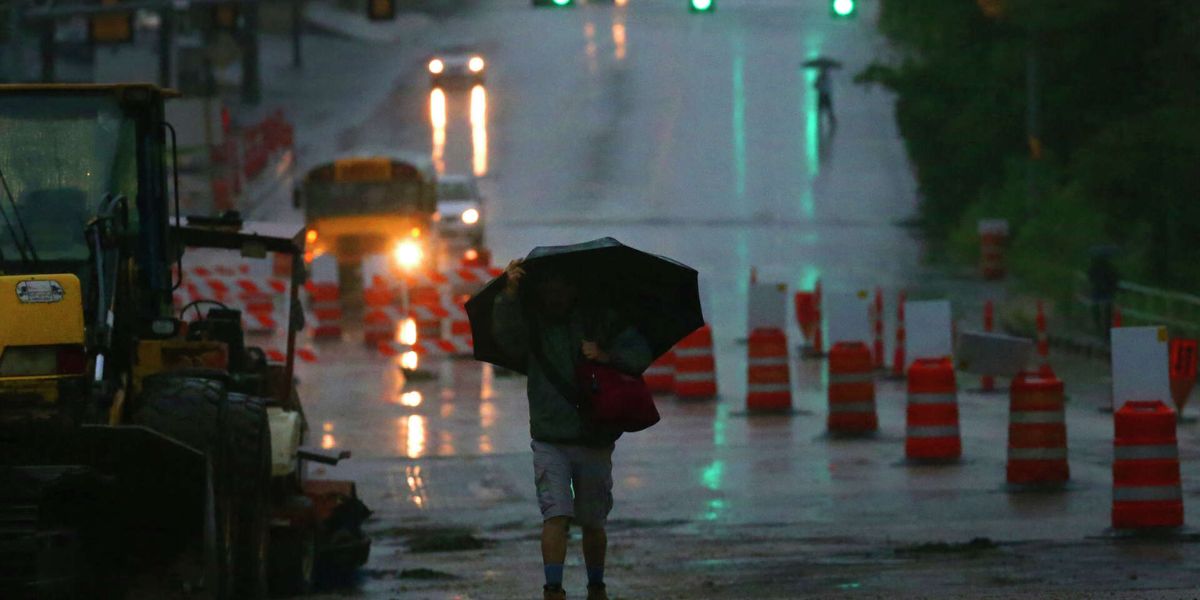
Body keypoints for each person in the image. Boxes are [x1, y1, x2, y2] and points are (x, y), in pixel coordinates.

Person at [492, 259, 653, 600]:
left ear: (574, 288)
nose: (555, 294)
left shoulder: (599, 321)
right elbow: (507, 339)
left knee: (593, 522)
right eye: (548, 287)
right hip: (550, 438)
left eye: (562, 286)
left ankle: (597, 587)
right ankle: (553, 590)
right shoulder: (531, 325)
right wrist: (507, 294)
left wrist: (605, 355)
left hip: (595, 436)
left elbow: (639, 352)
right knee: (556, 516)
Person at [1088, 253, 1120, 335]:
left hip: (1098, 292)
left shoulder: (1095, 268)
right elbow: (1114, 279)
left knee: (1097, 309)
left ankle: (1099, 327)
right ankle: (1106, 330)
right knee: (1107, 312)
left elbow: (1090, 277)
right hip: (1106, 293)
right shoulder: (1110, 269)